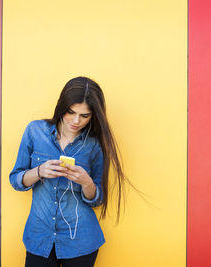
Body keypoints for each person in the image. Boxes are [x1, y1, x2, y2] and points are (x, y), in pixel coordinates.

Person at [9, 76, 127, 267]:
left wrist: (86, 182)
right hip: (40, 236)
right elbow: (15, 179)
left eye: (85, 115)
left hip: (81, 241)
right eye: (71, 112)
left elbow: (97, 199)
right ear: (61, 106)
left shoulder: (94, 145)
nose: (76, 120)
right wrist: (39, 171)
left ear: (93, 115)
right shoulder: (35, 131)